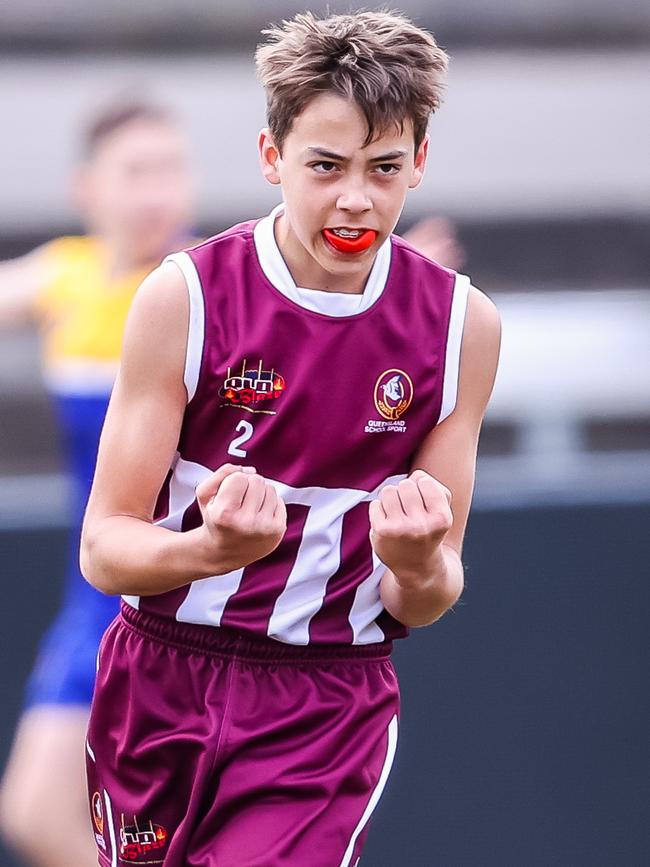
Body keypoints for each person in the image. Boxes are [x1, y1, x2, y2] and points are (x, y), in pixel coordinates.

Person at [81, 11, 501, 866]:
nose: (356, 198)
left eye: (385, 168)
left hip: (325, 704)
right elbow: (104, 546)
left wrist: (418, 560)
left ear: (419, 163)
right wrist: (212, 549)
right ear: (272, 158)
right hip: (159, 681)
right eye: (325, 166)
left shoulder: (461, 327)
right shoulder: (186, 300)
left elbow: (429, 590)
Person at [0, 99, 196, 867]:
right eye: (136, 171)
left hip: (181, 594)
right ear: (89, 187)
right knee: (39, 810)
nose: (157, 191)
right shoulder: (66, 276)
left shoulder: (206, 285)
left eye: (171, 169)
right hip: (94, 592)